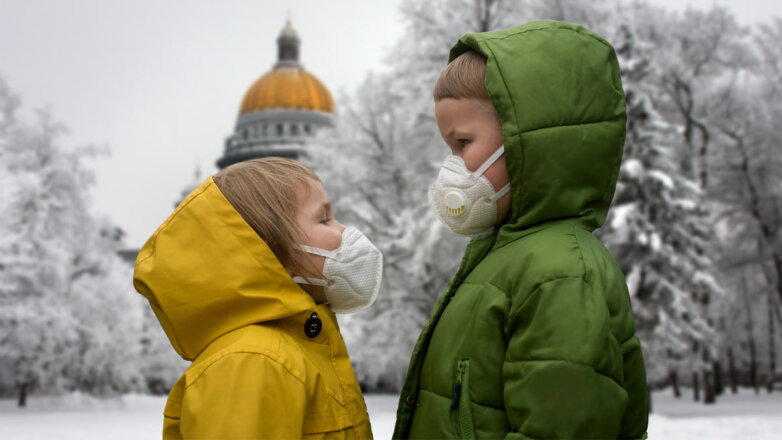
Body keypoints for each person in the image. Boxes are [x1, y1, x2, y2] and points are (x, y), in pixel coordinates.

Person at [393, 21, 648, 439]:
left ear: (524, 140)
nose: (452, 166)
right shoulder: (504, 257)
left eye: (462, 144)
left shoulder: (561, 274)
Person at [133, 158, 380, 439]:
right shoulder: (253, 362)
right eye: (324, 219)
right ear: (268, 249)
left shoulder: (295, 347)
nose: (344, 231)